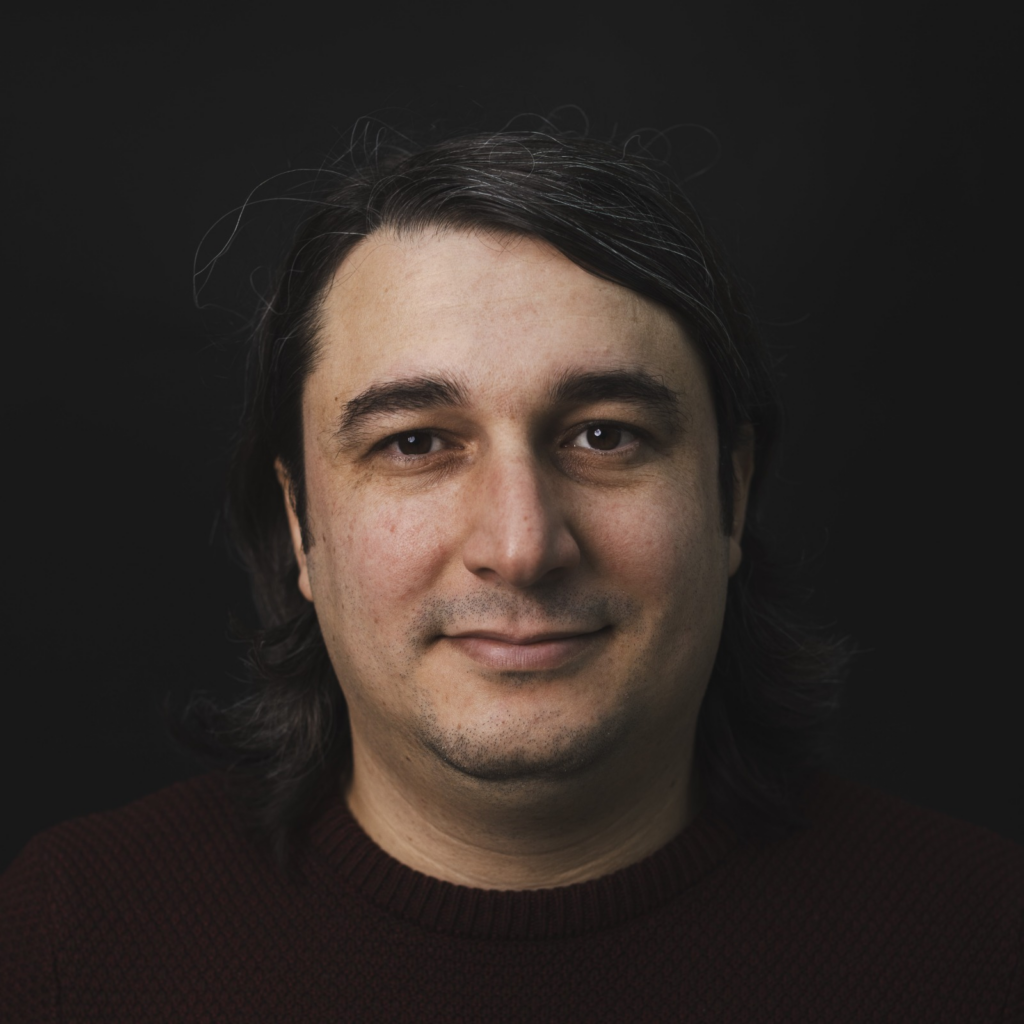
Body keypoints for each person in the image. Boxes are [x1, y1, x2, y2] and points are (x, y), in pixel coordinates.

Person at [2, 128, 1021, 1022]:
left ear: (732, 494)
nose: (523, 545)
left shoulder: (983, 948)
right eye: (414, 443)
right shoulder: (70, 943)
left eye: (604, 435)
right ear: (301, 524)